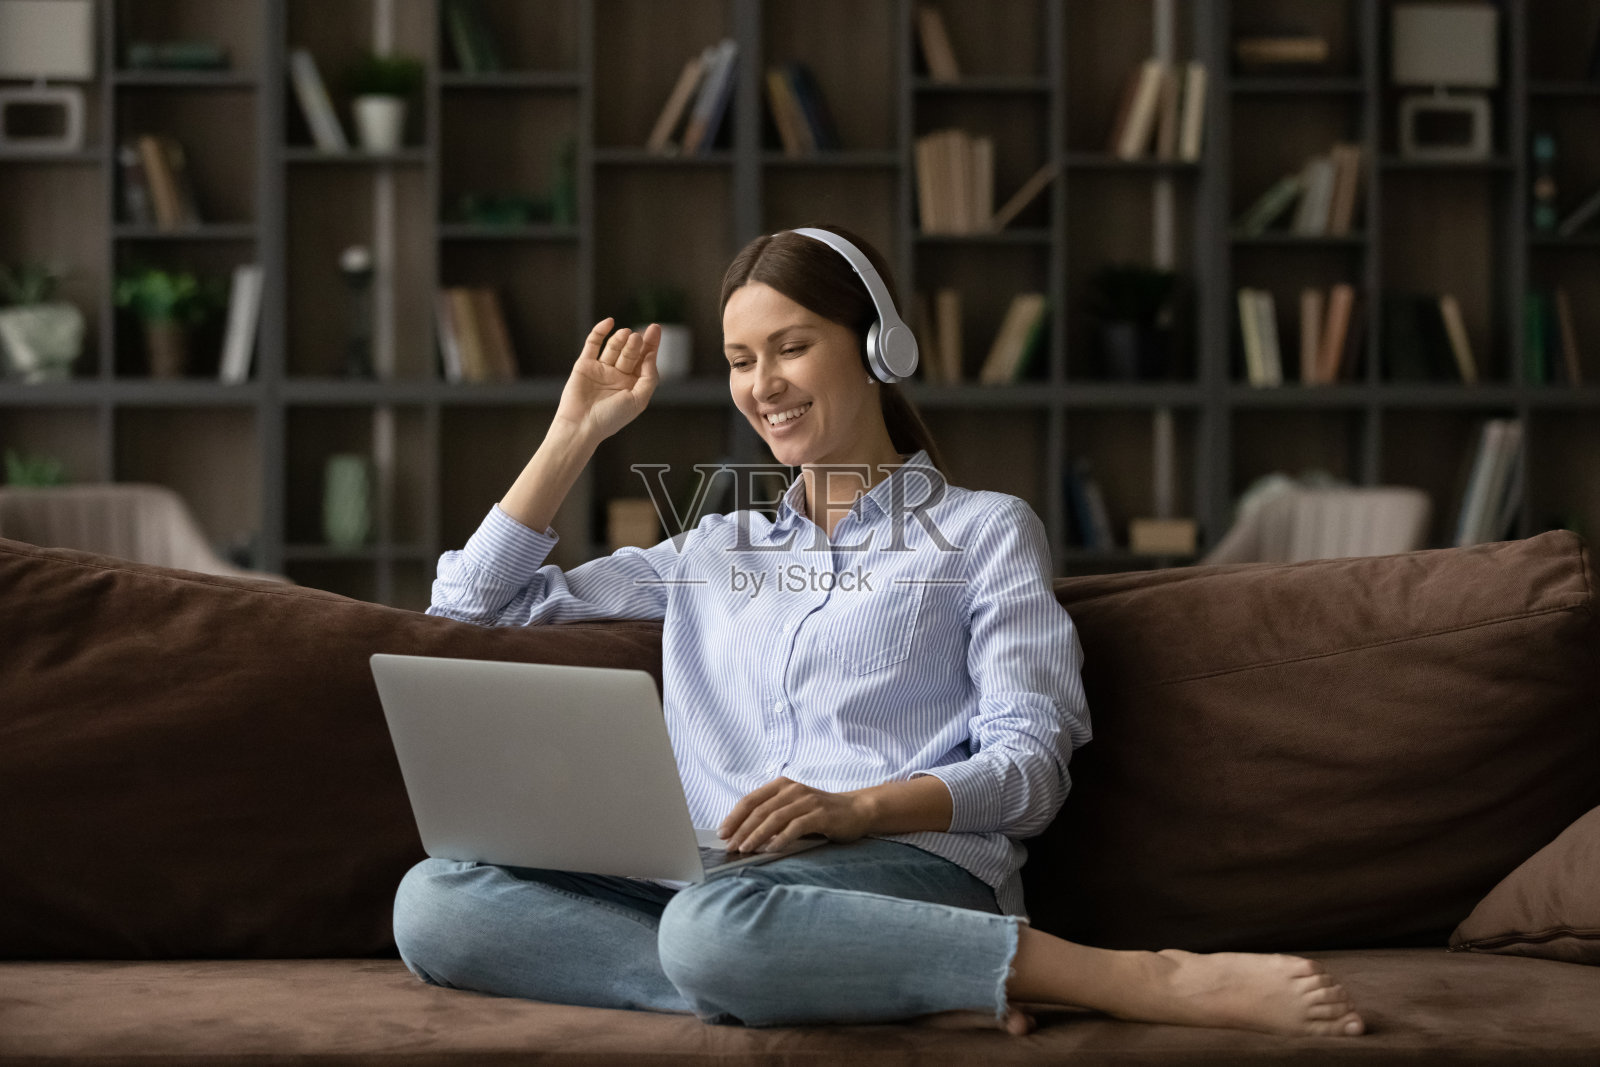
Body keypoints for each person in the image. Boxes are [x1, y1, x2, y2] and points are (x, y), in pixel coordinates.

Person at [392, 226, 1366, 1039]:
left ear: (875, 349)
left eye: (790, 345)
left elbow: (1030, 770)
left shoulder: (985, 530)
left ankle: (1130, 977)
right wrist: (574, 431)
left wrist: (856, 809)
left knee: (716, 927)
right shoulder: (712, 546)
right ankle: (885, 983)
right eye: (739, 360)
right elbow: (469, 613)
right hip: (715, 884)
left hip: (898, 870)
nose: (761, 383)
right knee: (434, 899)